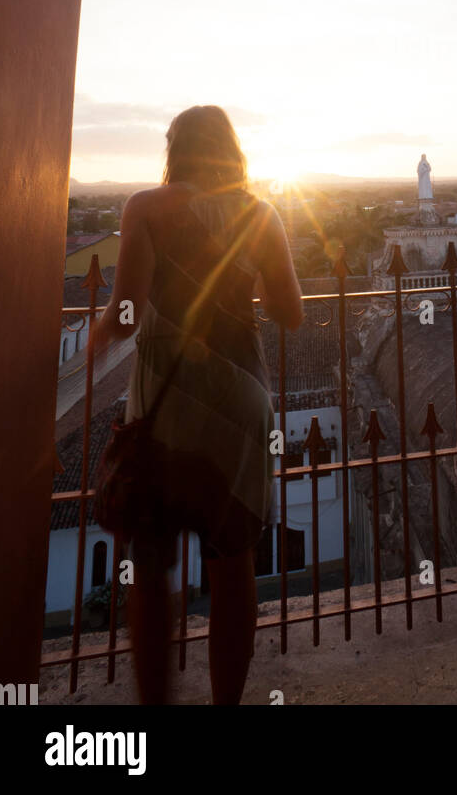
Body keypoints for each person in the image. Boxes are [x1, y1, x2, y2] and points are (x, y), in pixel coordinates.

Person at [90, 105, 303, 705]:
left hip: (165, 405)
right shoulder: (262, 215)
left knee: (152, 567)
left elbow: (127, 318)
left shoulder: (146, 208)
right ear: (231, 152)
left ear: (174, 150)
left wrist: (99, 335)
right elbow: (290, 313)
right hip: (242, 403)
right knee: (233, 566)